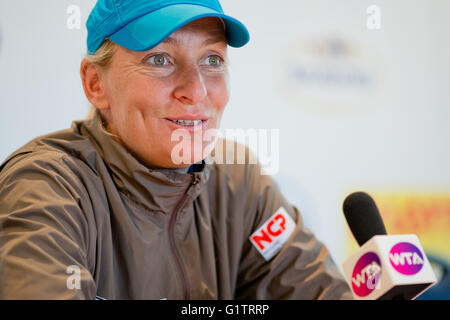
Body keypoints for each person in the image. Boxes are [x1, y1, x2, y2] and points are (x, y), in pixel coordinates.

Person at [0, 0, 352, 299]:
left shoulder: (239, 181)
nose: (196, 91)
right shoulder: (45, 187)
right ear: (96, 84)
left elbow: (317, 289)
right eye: (160, 59)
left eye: (212, 60)